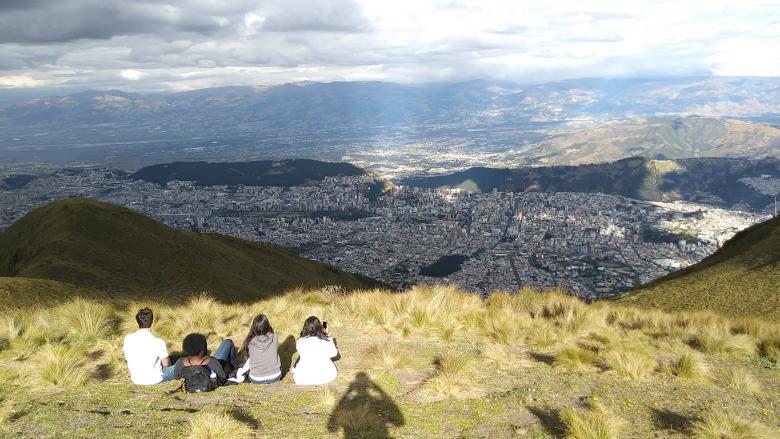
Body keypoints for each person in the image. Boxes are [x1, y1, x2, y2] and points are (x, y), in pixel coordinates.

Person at [123, 307, 174, 385]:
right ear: (152, 321)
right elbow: (166, 364)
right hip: (155, 378)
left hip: (136, 379)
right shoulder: (158, 341)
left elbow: (127, 358)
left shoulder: (127, 338)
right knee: (181, 364)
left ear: (138, 321)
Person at [230, 314, 282, 384]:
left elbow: (249, 359)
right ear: (267, 324)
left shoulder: (250, 340)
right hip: (275, 376)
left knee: (244, 364)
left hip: (256, 378)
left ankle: (242, 376)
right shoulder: (275, 336)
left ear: (254, 326)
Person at [173, 333, 238, 385]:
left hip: (191, 382)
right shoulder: (213, 362)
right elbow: (222, 378)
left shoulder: (180, 362)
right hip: (212, 367)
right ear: (202, 350)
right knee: (228, 342)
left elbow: (177, 377)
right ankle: (235, 369)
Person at [292, 316, 338, 385]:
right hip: (327, 377)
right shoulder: (324, 340)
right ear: (320, 327)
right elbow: (334, 353)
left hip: (302, 378)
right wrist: (329, 337)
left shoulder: (300, 341)